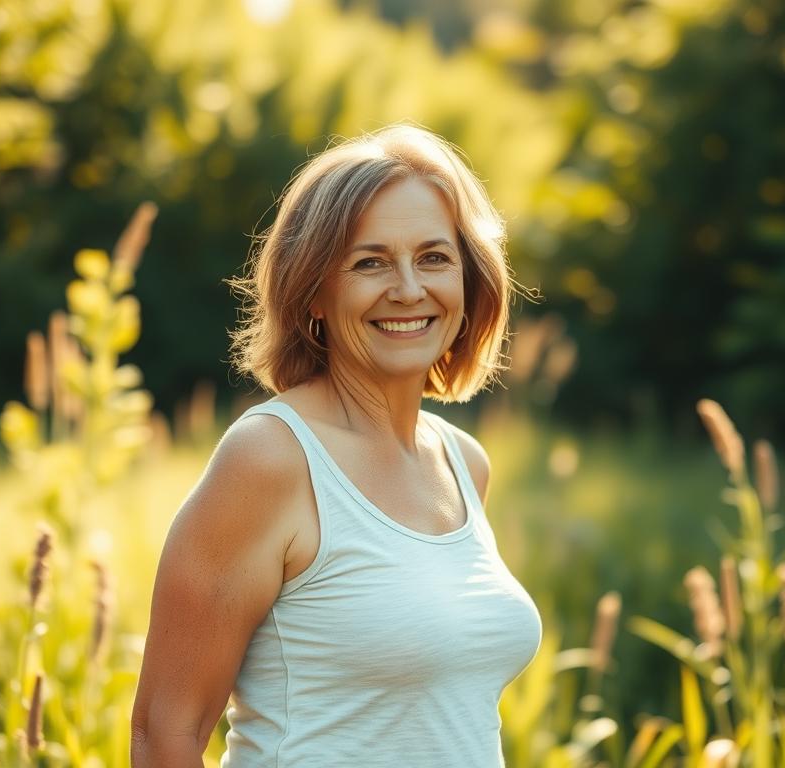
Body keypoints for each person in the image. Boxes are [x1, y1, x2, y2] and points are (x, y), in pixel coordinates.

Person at [131, 124, 542, 767]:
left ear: (470, 280)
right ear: (314, 292)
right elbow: (165, 733)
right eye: (369, 262)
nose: (408, 288)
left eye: (434, 258)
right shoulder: (270, 458)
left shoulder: (464, 463)